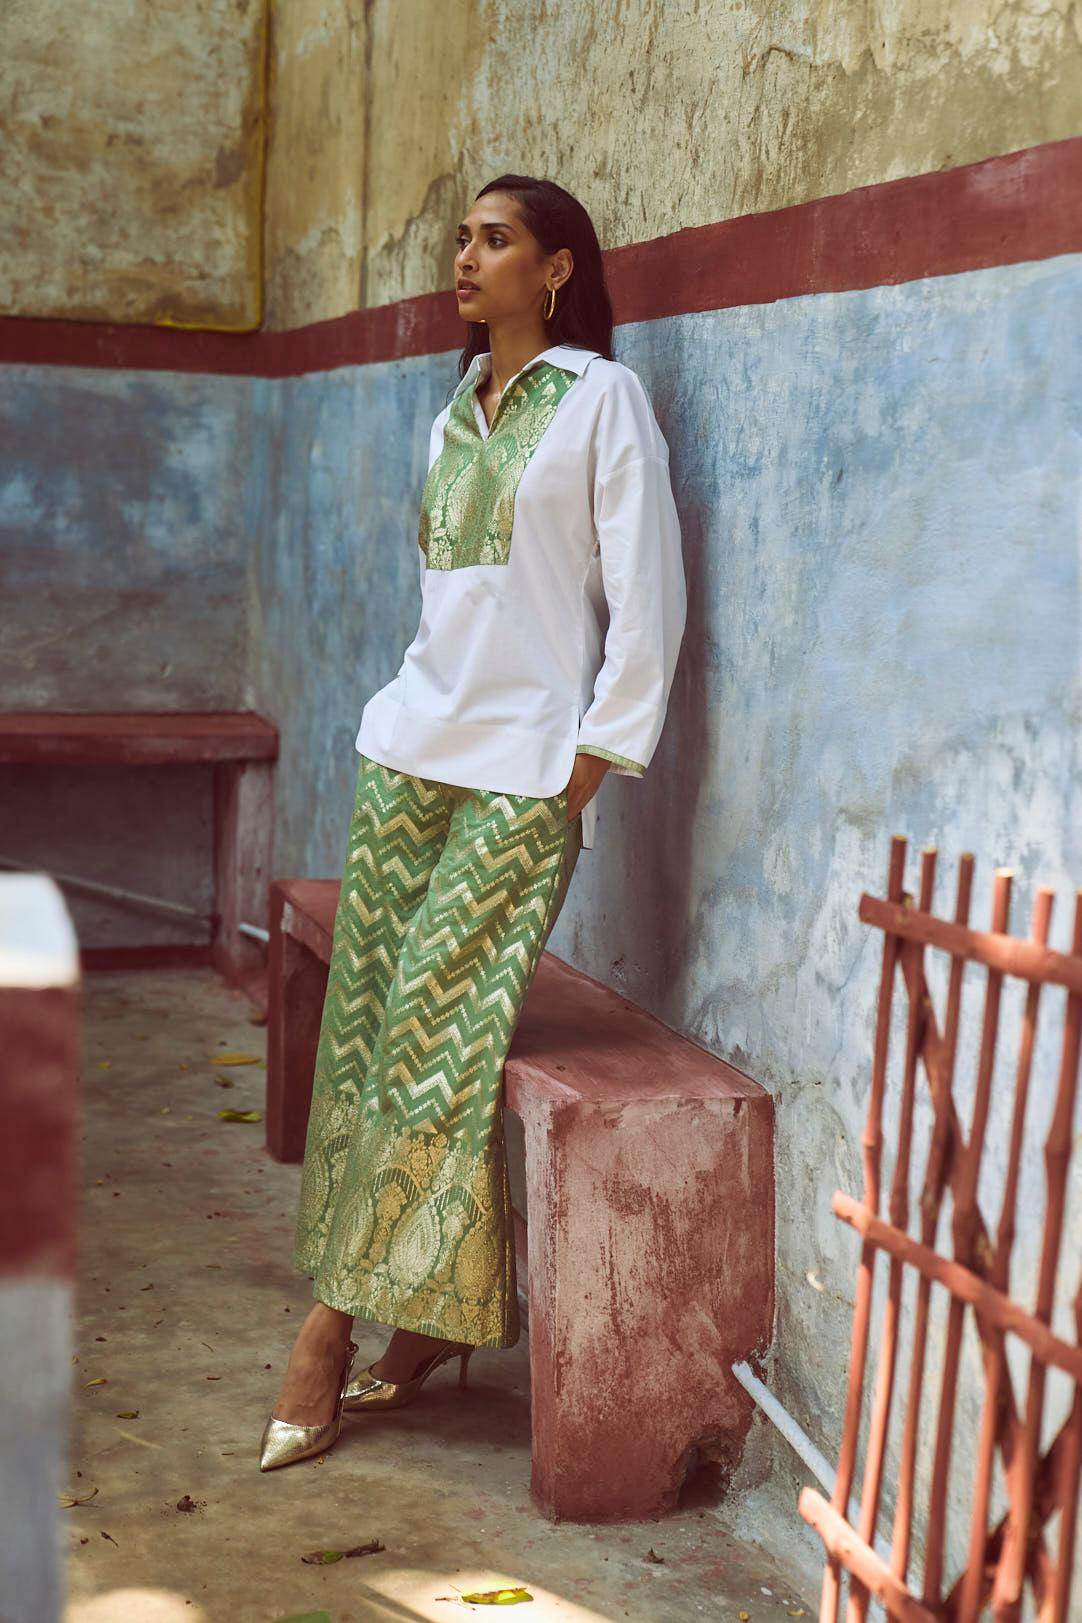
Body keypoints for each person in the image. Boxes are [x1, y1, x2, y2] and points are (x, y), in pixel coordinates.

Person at [259, 173, 687, 1470]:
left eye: (495, 240)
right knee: (366, 1038)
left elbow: (649, 590)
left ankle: (328, 1329)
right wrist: (396, 723)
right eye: (461, 237)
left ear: (555, 269)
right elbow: (446, 607)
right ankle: (429, 1323)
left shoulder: (601, 398)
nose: (466, 257)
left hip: (525, 776)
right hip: (410, 756)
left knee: (432, 1041)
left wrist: (593, 758)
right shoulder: (453, 413)